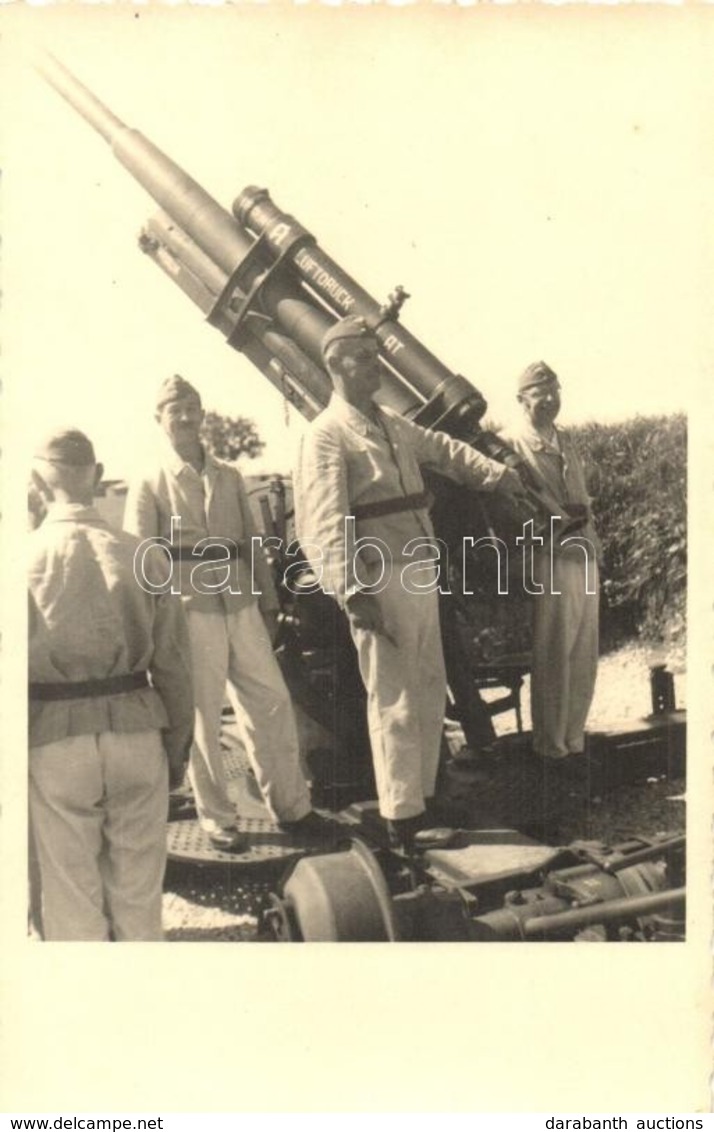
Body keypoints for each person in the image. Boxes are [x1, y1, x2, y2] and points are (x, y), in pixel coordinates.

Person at [292, 315, 525, 851]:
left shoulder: (391, 424)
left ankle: (425, 797)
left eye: (377, 355)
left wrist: (496, 474)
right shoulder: (326, 435)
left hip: (419, 569)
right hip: (378, 577)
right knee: (393, 697)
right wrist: (351, 592)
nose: (376, 365)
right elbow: (322, 521)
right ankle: (402, 816)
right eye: (364, 357)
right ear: (335, 364)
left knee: (424, 689)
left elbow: (444, 450)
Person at [124, 375, 329, 852]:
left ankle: (292, 808)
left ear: (203, 413)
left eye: (192, 405)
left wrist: (270, 600)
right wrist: (156, 622)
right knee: (203, 719)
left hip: (240, 601)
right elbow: (142, 559)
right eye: (174, 408)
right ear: (159, 419)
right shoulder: (150, 480)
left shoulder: (229, 475)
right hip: (188, 609)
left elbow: (253, 543)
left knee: (272, 700)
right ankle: (217, 818)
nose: (185, 415)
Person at [28, 428, 193, 941]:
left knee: (71, 897)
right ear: (98, 478)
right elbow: (173, 665)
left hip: (55, 742)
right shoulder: (143, 554)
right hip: (138, 734)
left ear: (36, 483)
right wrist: (177, 749)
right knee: (140, 896)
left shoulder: (21, 560)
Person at [502, 361, 600, 768]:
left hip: (584, 549)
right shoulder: (513, 445)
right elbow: (513, 504)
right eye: (541, 391)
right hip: (551, 552)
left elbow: (582, 496)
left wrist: (593, 540)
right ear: (522, 399)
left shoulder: (565, 440)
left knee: (583, 649)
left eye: (555, 390)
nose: (550, 399)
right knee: (555, 650)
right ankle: (550, 745)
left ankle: (573, 738)